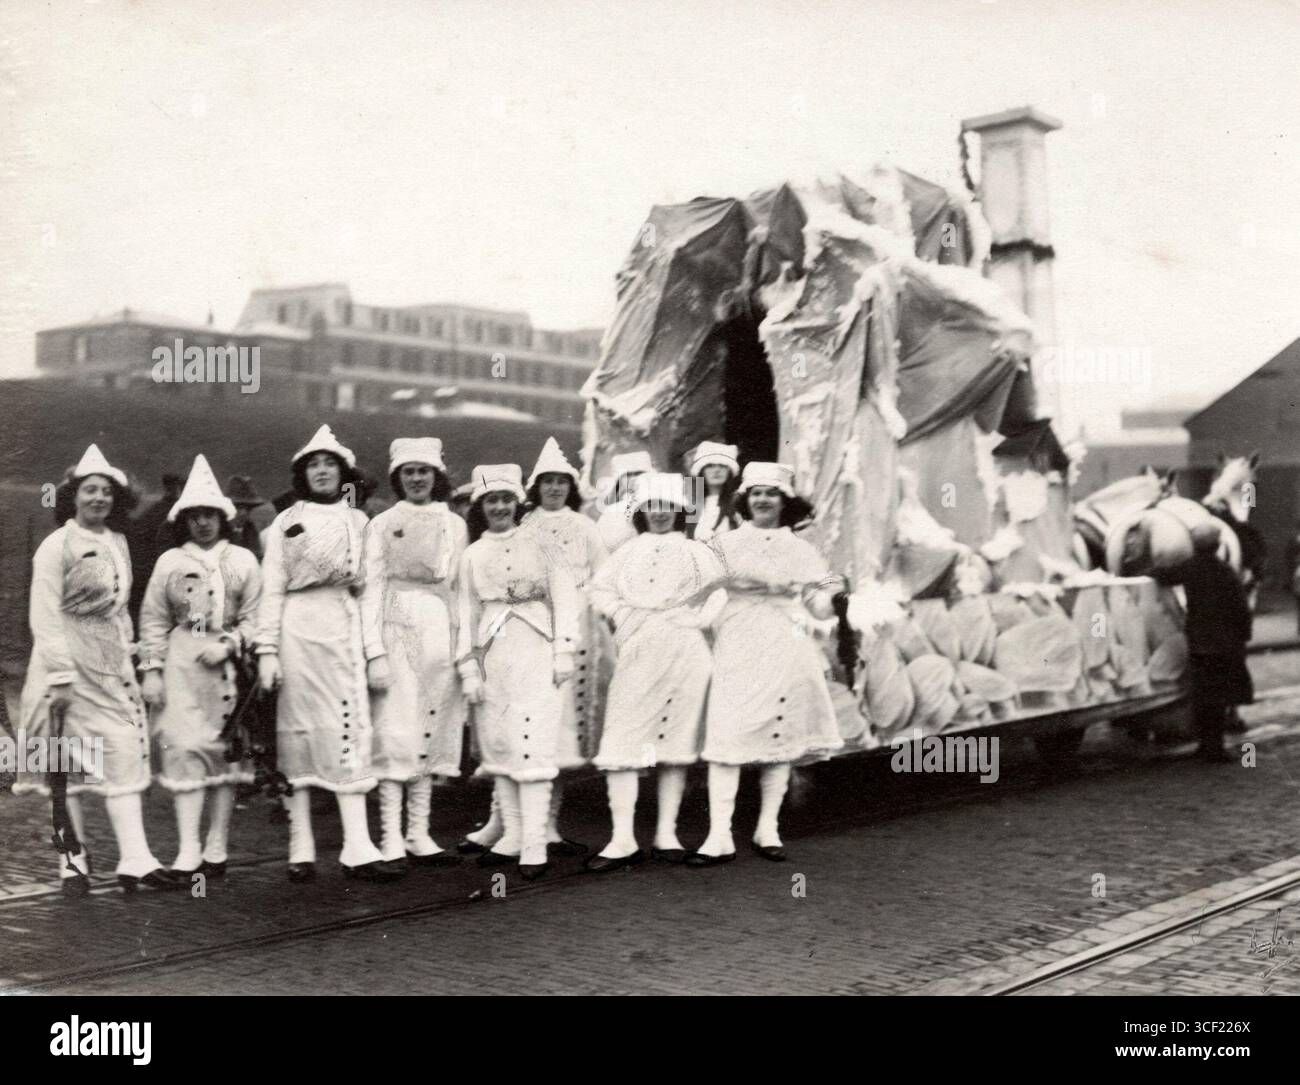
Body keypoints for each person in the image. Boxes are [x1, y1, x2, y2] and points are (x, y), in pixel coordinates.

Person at [15, 445, 187, 893]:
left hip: (109, 664)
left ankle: (137, 859)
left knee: (125, 750)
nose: (98, 499)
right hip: (65, 668)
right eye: (90, 490)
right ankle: (72, 862)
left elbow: (121, 608)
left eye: (107, 492)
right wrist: (59, 677)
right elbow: (45, 615)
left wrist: (131, 656)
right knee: (63, 766)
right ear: (74, 496)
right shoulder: (56, 546)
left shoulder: (118, 543)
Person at [255, 425, 404, 882]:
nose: (322, 471)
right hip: (297, 630)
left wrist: (374, 652)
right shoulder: (283, 523)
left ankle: (358, 846)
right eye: (313, 465)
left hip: (343, 627)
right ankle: (301, 847)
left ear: (344, 473)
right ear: (303, 474)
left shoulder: (361, 524)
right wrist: (267, 651)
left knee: (347, 728)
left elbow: (373, 591)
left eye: (330, 464)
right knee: (299, 735)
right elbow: (272, 589)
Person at [688, 462, 845, 866]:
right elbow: (699, 588)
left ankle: (767, 827)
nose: (762, 500)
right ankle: (719, 834)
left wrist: (835, 600)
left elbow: (818, 597)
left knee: (779, 731)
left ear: (783, 502)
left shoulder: (802, 549)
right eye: (755, 493)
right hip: (738, 637)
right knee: (728, 731)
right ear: (745, 500)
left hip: (785, 639)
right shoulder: (725, 543)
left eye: (771, 494)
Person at [460, 438, 607, 858]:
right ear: (536, 487)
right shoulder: (506, 539)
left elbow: (602, 575)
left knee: (553, 735)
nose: (555, 489)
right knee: (505, 730)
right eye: (547, 482)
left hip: (565, 631)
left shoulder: (582, 528)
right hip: (510, 636)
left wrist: (575, 614)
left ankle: (546, 826)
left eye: (563, 482)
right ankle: (504, 823)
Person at [585, 473, 725, 872]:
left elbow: (720, 590)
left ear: (680, 510)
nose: (660, 514)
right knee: (623, 741)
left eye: (668, 506)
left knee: (674, 743)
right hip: (639, 650)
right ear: (641, 511)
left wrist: (696, 619)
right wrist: (623, 614)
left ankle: (667, 833)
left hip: (685, 652)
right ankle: (622, 838)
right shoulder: (628, 551)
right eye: (653, 506)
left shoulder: (696, 551)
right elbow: (599, 590)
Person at [138, 454, 262, 876]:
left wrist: (229, 643)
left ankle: (216, 848)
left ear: (222, 518)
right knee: (184, 747)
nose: (203, 524)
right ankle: (188, 848)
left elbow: (256, 616)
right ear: (184, 521)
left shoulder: (243, 561)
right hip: (183, 663)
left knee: (224, 754)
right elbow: (153, 619)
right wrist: (152, 670)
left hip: (228, 670)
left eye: (210, 515)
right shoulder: (170, 562)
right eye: (195, 517)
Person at [361, 438, 467, 867]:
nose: (417, 479)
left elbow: (461, 587)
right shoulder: (382, 523)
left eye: (424, 471)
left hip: (439, 627)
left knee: (430, 725)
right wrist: (374, 651)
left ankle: (419, 832)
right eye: (409, 472)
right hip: (395, 625)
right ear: (398, 478)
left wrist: (462, 646)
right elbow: (371, 587)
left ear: (436, 476)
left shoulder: (454, 524)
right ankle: (389, 836)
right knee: (394, 729)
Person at [1176, 521, 1254, 762]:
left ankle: (1204, 745)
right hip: (1223, 644)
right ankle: (1215, 748)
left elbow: (1163, 575)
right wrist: (1245, 634)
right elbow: (1241, 608)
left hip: (1199, 642)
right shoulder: (1225, 572)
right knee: (1219, 698)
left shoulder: (1189, 568)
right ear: (1218, 545)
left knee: (1203, 697)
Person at [127, 472, 183, 625]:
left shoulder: (150, 512)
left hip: (140, 576)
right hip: (161, 576)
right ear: (178, 488)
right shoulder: (180, 515)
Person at [596, 450, 653, 552]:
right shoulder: (610, 512)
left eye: (639, 473)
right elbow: (603, 546)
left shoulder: (660, 505)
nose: (635, 478)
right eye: (629, 474)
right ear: (619, 481)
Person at [685, 441, 740, 543]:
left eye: (722, 465)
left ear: (729, 471)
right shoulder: (692, 504)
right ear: (702, 471)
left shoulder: (736, 503)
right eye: (710, 466)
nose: (717, 470)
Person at [225, 475, 270, 560]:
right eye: (238, 507)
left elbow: (257, 557)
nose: (243, 513)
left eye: (248, 508)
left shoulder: (250, 529)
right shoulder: (219, 530)